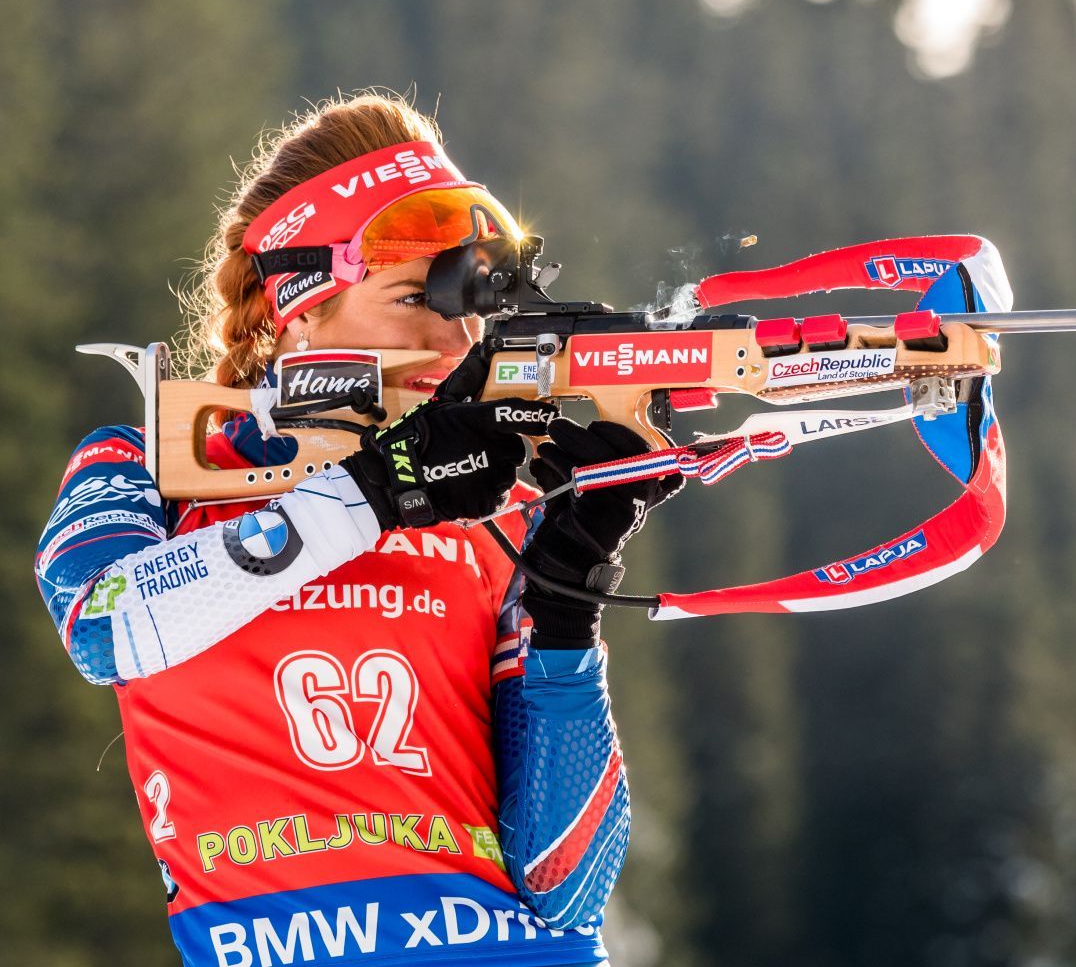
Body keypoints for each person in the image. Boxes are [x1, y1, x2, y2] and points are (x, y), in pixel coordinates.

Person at [34, 94, 677, 967]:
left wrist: (571, 582)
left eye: (471, 300)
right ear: (300, 306)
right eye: (418, 295)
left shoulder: (492, 505)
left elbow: (568, 883)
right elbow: (105, 624)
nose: (456, 336)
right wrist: (377, 490)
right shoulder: (151, 468)